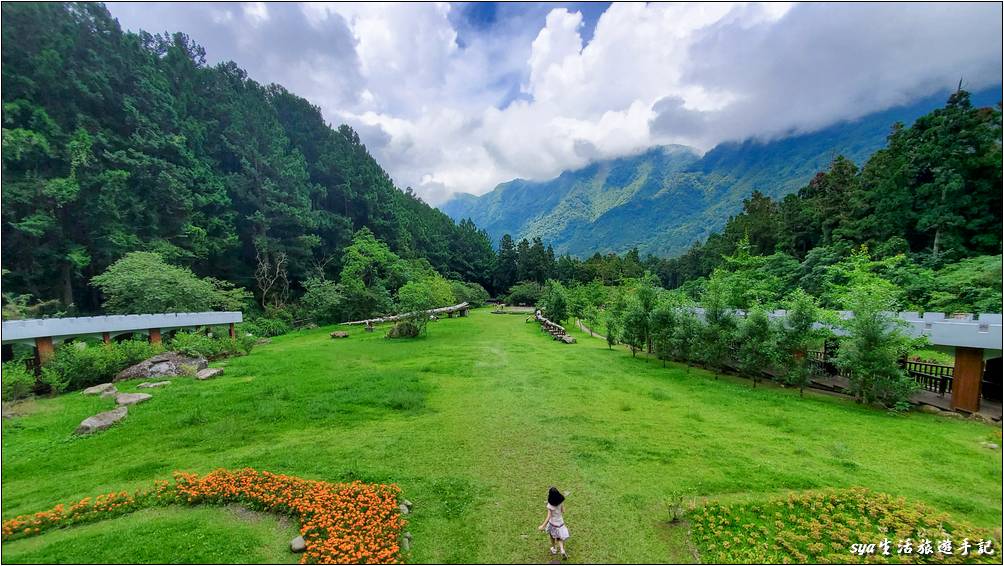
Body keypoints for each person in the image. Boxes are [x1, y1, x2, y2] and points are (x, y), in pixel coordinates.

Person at [537, 486, 570, 559]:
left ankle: (554, 549)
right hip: (560, 523)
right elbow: (563, 511)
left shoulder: (550, 505)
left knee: (552, 536)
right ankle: (562, 550)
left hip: (553, 524)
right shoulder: (561, 502)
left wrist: (543, 526)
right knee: (559, 537)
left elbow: (548, 516)